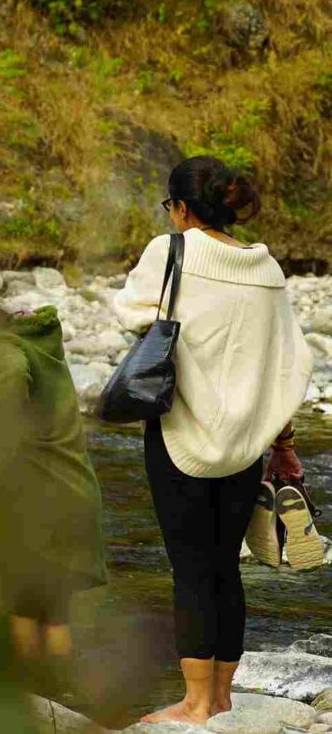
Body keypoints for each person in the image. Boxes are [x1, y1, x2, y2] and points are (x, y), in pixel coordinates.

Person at [113, 156, 312, 725]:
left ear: (180, 207)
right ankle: (222, 696)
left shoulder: (170, 251)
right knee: (226, 564)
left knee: (191, 569)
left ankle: (196, 703)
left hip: (182, 433)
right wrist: (283, 442)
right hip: (248, 440)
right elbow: (286, 359)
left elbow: (129, 313)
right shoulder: (266, 267)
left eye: (169, 207)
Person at [0, 303, 107, 666]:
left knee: (22, 608)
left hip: (38, 501)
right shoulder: (35, 344)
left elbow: (6, 436)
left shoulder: (0, 353)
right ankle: (59, 694)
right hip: (72, 492)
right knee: (54, 613)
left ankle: (32, 690)